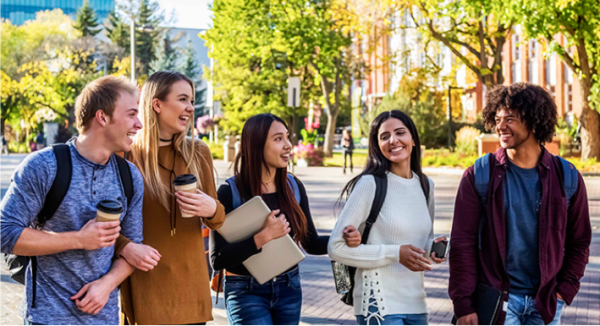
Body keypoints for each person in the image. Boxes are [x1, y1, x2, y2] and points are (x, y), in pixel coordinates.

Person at [0, 76, 144, 325]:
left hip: (104, 318)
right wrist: (79, 239)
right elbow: (4, 233)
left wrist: (106, 284)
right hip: (46, 318)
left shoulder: (130, 176)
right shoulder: (43, 166)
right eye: (132, 114)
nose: (139, 124)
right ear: (102, 117)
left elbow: (133, 247)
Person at [449, 83, 591, 326]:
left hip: (545, 303)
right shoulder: (479, 176)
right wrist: (463, 304)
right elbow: (463, 245)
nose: (500, 126)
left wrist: (564, 291)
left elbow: (579, 241)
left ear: (534, 121)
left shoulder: (566, 176)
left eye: (510, 119)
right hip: (498, 302)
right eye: (497, 118)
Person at [209, 113, 361, 325]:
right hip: (245, 291)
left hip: (289, 288)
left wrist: (343, 239)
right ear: (256, 145)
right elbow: (218, 260)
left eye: (287, 137)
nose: (288, 145)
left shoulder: (293, 187)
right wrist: (263, 237)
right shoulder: (229, 191)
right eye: (278, 139)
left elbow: (310, 243)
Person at [116, 71, 225, 326]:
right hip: (145, 286)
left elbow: (217, 222)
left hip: (191, 288)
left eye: (192, 101)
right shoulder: (126, 155)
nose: (190, 108)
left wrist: (212, 209)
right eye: (183, 99)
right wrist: (124, 247)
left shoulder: (198, 151)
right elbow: (107, 222)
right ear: (157, 104)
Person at [329, 110, 447, 326]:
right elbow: (336, 247)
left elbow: (423, 242)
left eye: (400, 132)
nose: (393, 140)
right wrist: (395, 254)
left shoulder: (425, 185)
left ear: (412, 138)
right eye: (384, 136)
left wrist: (434, 250)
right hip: (378, 302)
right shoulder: (369, 184)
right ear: (377, 145)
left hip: (416, 302)